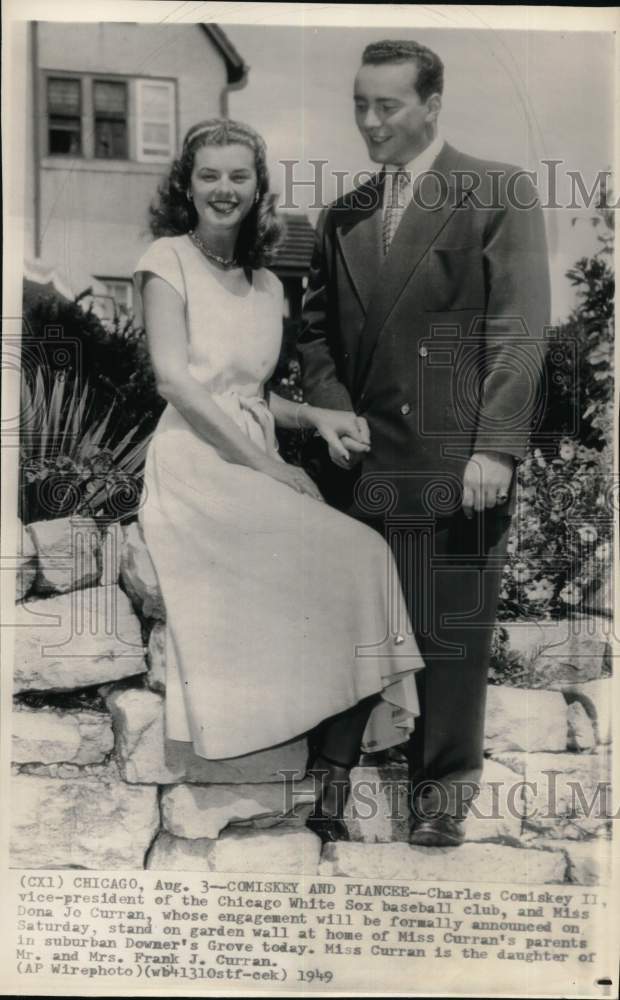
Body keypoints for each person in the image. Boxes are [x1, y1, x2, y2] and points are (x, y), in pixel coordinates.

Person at [132, 118, 425, 844]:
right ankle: (316, 767)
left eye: (239, 175)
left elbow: (254, 395)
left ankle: (331, 781)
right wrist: (265, 465)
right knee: (352, 555)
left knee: (362, 559)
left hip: (253, 458)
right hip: (196, 465)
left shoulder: (266, 283)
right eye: (209, 175)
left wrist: (316, 417)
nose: (223, 189)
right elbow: (177, 382)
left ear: (258, 187)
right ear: (186, 185)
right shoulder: (166, 260)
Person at [299, 40, 550, 846]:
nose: (370, 122)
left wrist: (497, 448)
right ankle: (329, 786)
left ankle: (440, 797)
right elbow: (315, 335)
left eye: (388, 105)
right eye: (360, 105)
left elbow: (519, 330)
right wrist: (332, 410)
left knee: (451, 633)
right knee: (350, 625)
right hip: (359, 459)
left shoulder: (497, 190)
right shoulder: (344, 214)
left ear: (432, 104)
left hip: (457, 459)